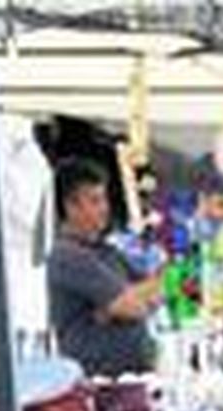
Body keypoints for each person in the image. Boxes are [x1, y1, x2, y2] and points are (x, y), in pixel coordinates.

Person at [46, 157, 161, 376]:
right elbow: (133, 307)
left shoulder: (107, 251)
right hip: (99, 387)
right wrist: (124, 302)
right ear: (71, 206)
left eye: (104, 199)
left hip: (130, 379)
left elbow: (158, 291)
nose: (105, 209)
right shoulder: (68, 256)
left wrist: (109, 309)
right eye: (96, 201)